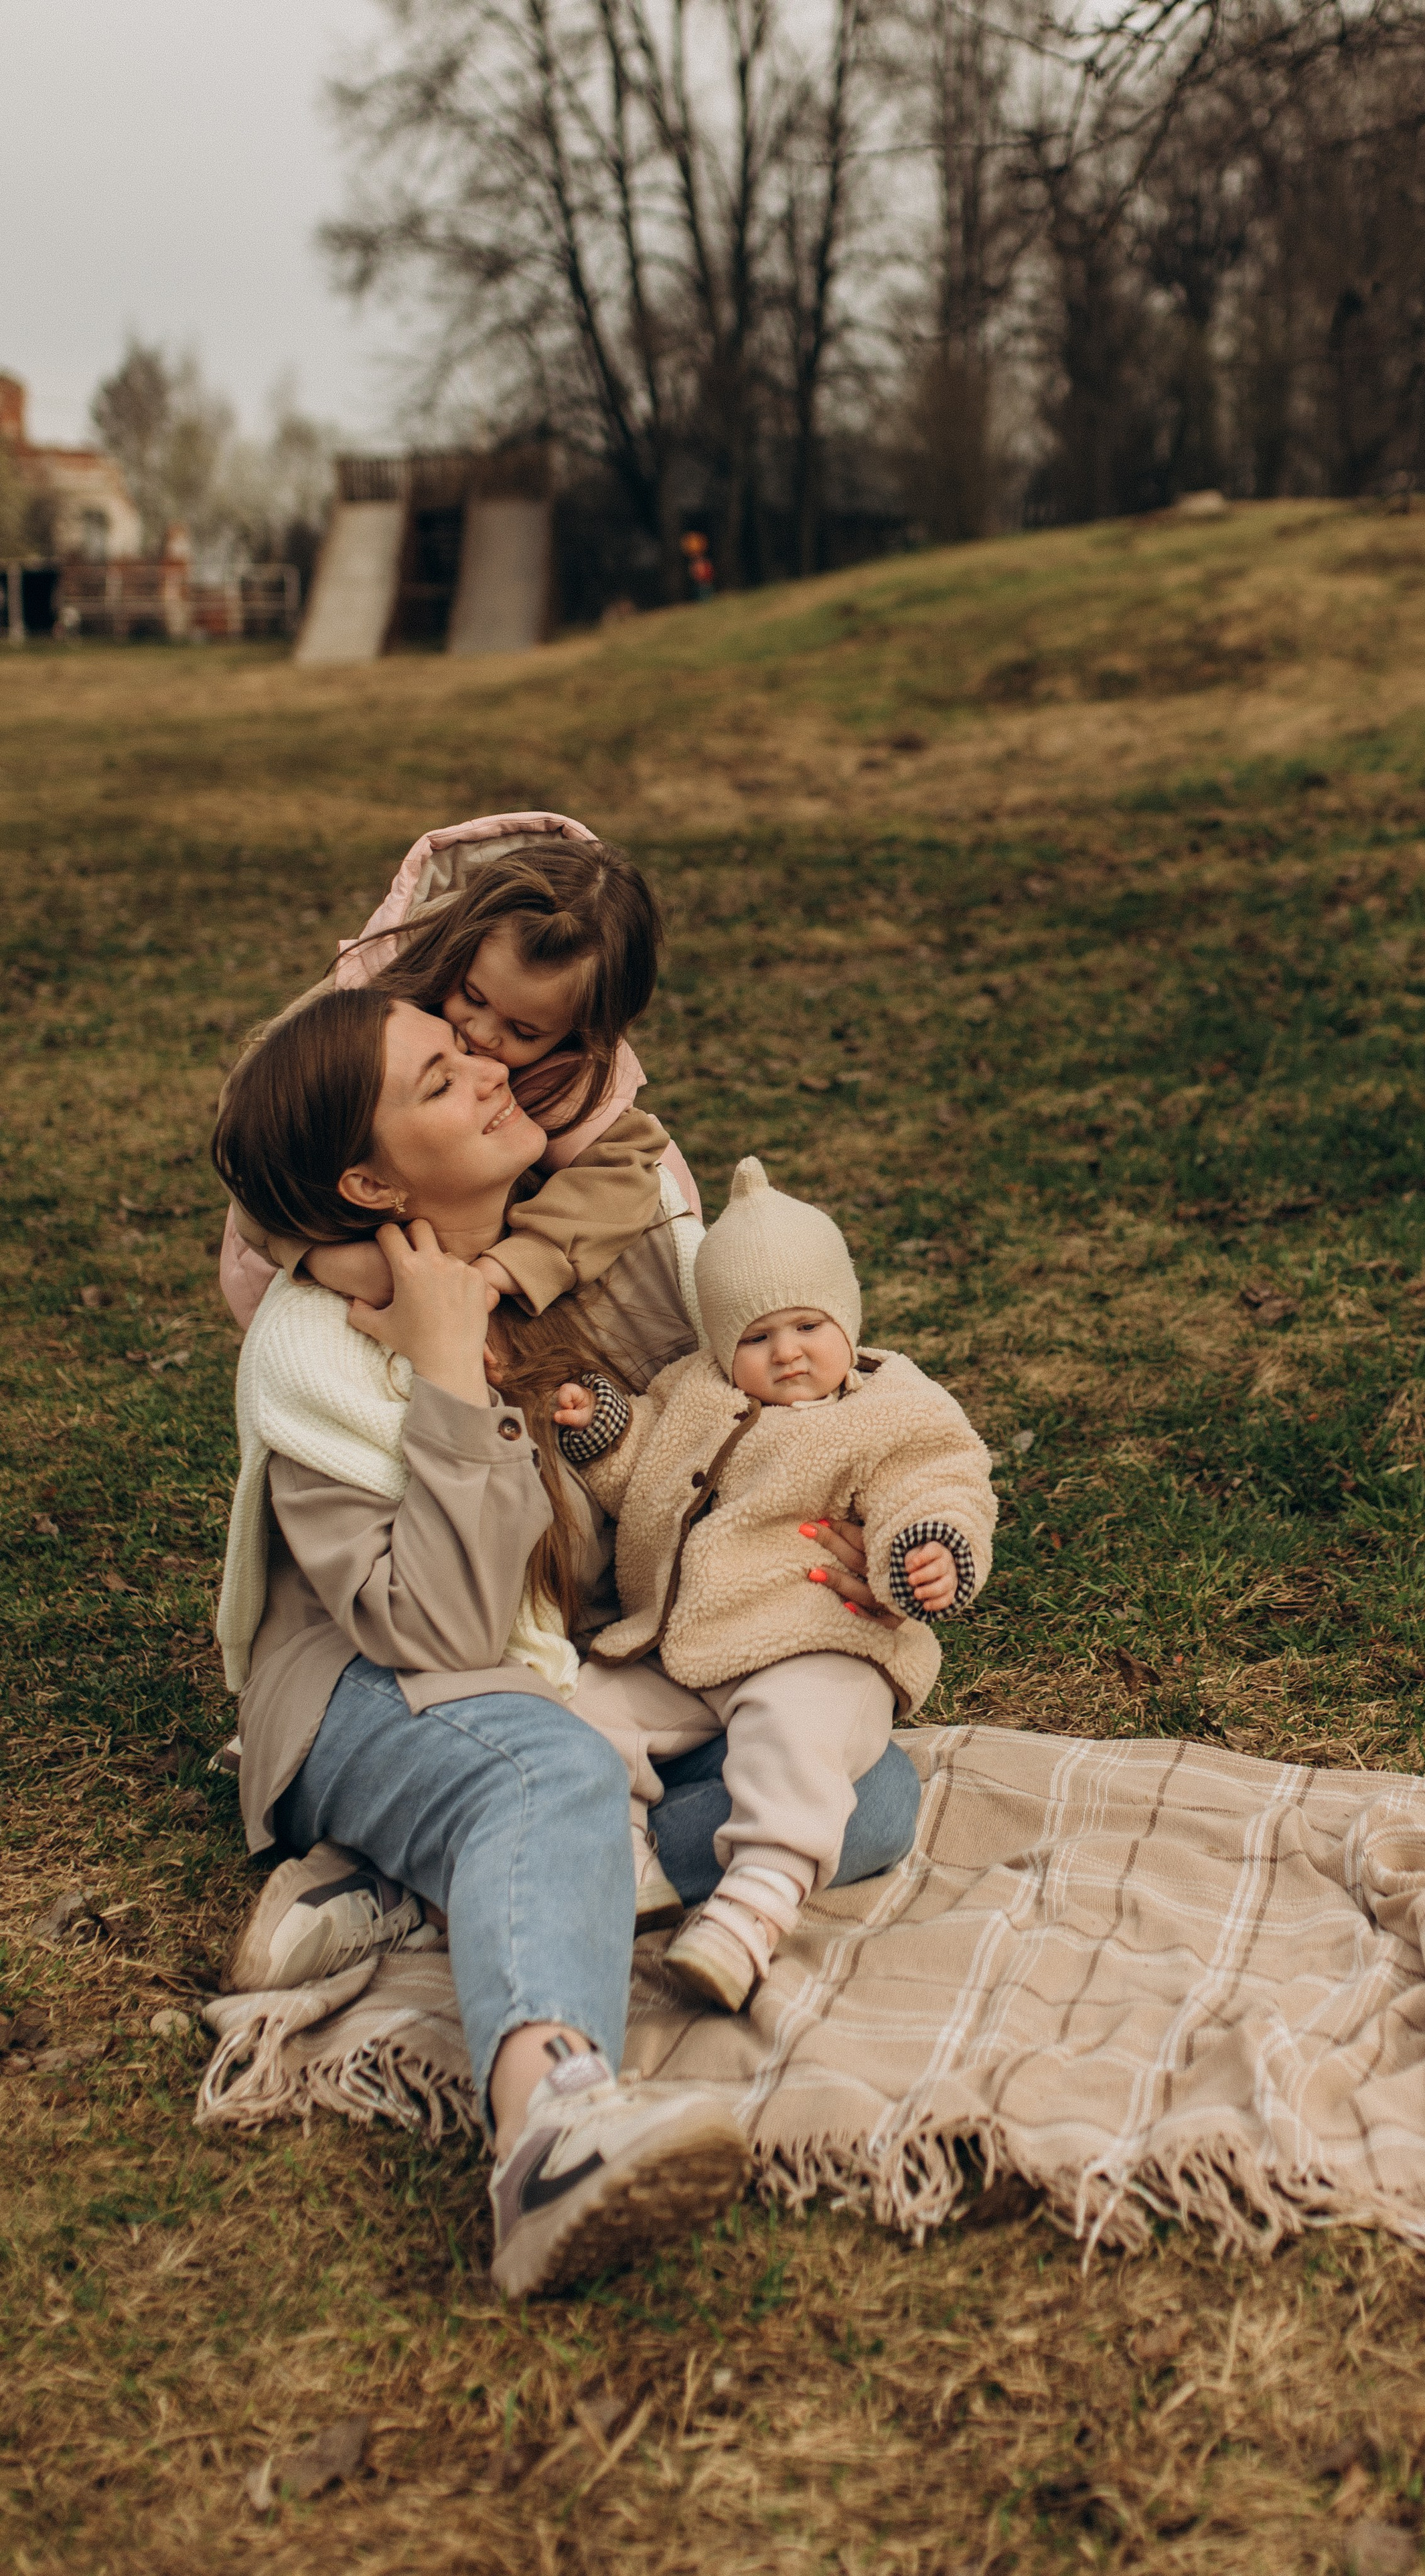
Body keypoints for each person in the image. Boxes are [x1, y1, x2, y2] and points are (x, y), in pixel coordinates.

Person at [208, 989, 920, 2296]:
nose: (489, 1071)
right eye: (439, 1077)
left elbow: (695, 1448)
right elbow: (447, 1627)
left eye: (467, 1047)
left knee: (861, 1795)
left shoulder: (569, 1257)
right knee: (550, 1775)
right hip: (379, 1691)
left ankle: (412, 1886)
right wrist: (446, 1379)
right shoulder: (314, 1349)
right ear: (369, 1177)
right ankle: (549, 2126)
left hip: (569, 1674)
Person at [555, 1157, 997, 2012]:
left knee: (798, 1742)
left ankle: (755, 1901)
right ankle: (625, 1858)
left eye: (807, 1326)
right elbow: (644, 1471)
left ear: (846, 1316)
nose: (786, 1352)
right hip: (682, 1639)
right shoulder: (692, 1392)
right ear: (723, 1345)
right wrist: (604, 1430)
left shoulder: (890, 1406)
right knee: (585, 1711)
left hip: (814, 1633)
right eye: (756, 1338)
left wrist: (928, 1546)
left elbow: (938, 1480)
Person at [218, 815, 701, 1378]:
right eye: (472, 996)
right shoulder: (380, 991)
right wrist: (320, 1256)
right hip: (341, 1227)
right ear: (459, 946)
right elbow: (256, 1139)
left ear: (581, 1031)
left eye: (523, 1033)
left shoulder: (578, 1076)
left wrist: (504, 1269)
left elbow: (624, 1173)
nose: (483, 1036)